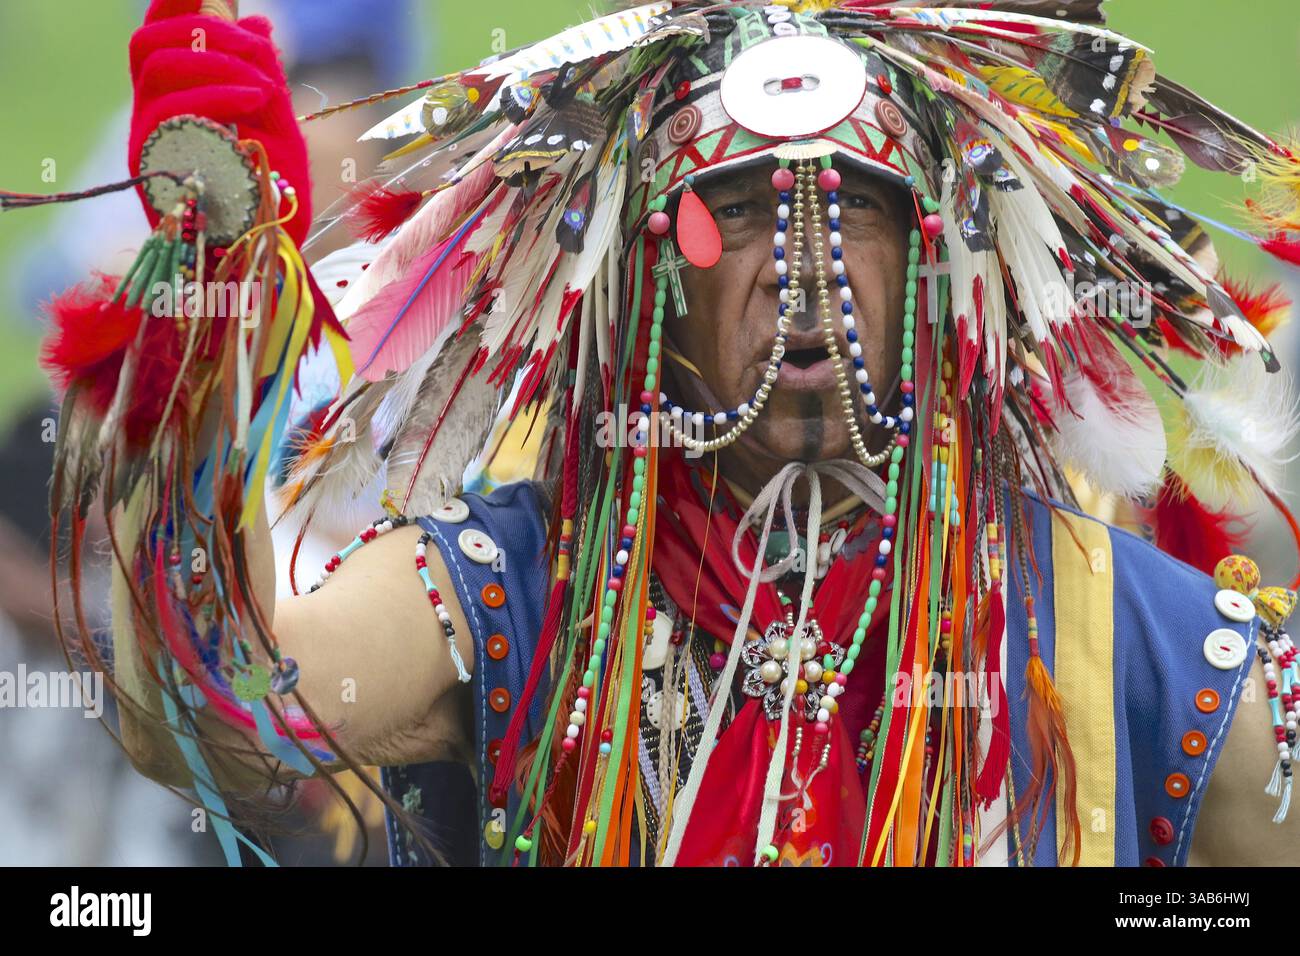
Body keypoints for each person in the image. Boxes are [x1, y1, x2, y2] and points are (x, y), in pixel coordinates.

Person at [33, 0, 1300, 867]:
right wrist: (215, 290)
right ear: (649, 285)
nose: (800, 263)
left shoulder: (1131, 638)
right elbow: (221, 712)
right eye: (735, 212)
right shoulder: (528, 580)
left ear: (941, 262)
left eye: (858, 208)